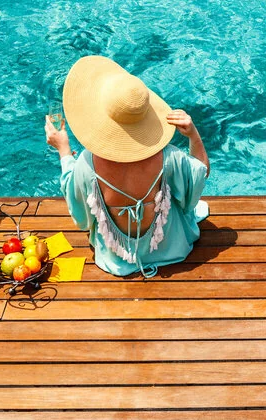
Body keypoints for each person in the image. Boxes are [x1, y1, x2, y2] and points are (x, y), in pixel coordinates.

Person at [45, 56, 209, 278]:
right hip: (174, 250)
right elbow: (200, 173)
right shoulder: (169, 157)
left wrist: (64, 151)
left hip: (116, 261)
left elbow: (81, 220)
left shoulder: (87, 163)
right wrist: (193, 135)